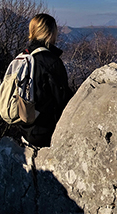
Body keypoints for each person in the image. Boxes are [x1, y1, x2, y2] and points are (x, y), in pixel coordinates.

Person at [21, 13, 73, 147]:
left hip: (24, 128)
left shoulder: (24, 56)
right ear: (50, 32)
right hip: (45, 132)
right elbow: (62, 100)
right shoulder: (51, 62)